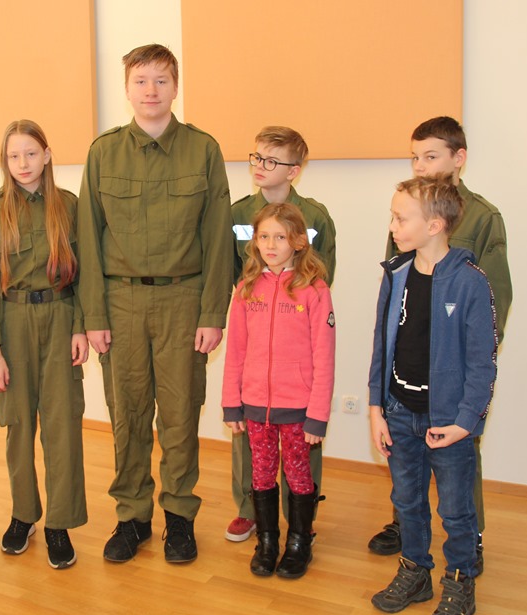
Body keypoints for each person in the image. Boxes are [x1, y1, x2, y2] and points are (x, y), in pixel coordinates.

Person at [78, 43, 234, 564]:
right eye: (141, 81)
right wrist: (94, 316)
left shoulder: (202, 150)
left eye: (161, 80)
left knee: (180, 414)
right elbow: (88, 239)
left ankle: (180, 518)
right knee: (127, 413)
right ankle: (132, 517)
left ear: (176, 86)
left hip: (183, 300)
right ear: (127, 88)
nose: (151, 90)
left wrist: (213, 314)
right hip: (120, 301)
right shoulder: (104, 153)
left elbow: (218, 239)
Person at [368, 116, 511, 576]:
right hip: (407, 378)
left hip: (452, 377)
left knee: (457, 475)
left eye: (430, 156)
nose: (421, 165)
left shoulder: (482, 217)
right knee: (407, 469)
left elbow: (495, 297)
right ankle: (409, 535)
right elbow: (395, 285)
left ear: (458, 158)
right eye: (415, 157)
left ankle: (470, 542)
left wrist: (465, 371)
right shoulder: (407, 210)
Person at [0, 120, 89, 569]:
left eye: (31, 153)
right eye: (14, 156)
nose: (23, 163)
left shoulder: (69, 207)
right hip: (12, 321)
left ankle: (59, 522)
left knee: (62, 425)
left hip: (60, 318)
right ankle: (24, 514)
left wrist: (80, 327)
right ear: (5, 161)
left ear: (47, 155)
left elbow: (85, 274)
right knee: (18, 425)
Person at [226, 126, 337, 543]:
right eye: (256, 157)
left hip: (295, 335)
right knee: (251, 437)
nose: (260, 166)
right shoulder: (238, 214)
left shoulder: (315, 216)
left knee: (301, 440)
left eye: (271, 160)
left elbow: (323, 274)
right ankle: (249, 509)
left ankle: (301, 516)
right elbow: (229, 270)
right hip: (254, 328)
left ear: (294, 170)